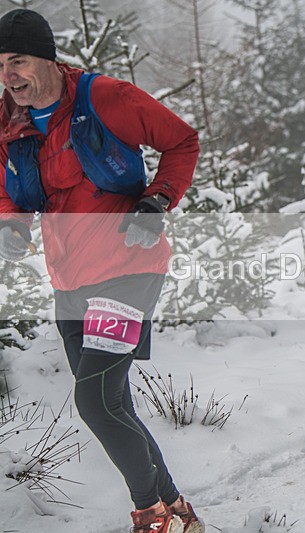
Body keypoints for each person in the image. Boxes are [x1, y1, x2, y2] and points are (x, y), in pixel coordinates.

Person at [0, 9, 202, 533]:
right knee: (113, 404)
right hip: (69, 281)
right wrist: (12, 224)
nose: (8, 75)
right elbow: (7, 186)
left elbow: (182, 141)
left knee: (94, 401)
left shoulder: (107, 98)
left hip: (128, 269)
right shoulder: (9, 120)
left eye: (17, 61)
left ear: (46, 58)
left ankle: (151, 516)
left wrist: (158, 199)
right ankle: (178, 510)